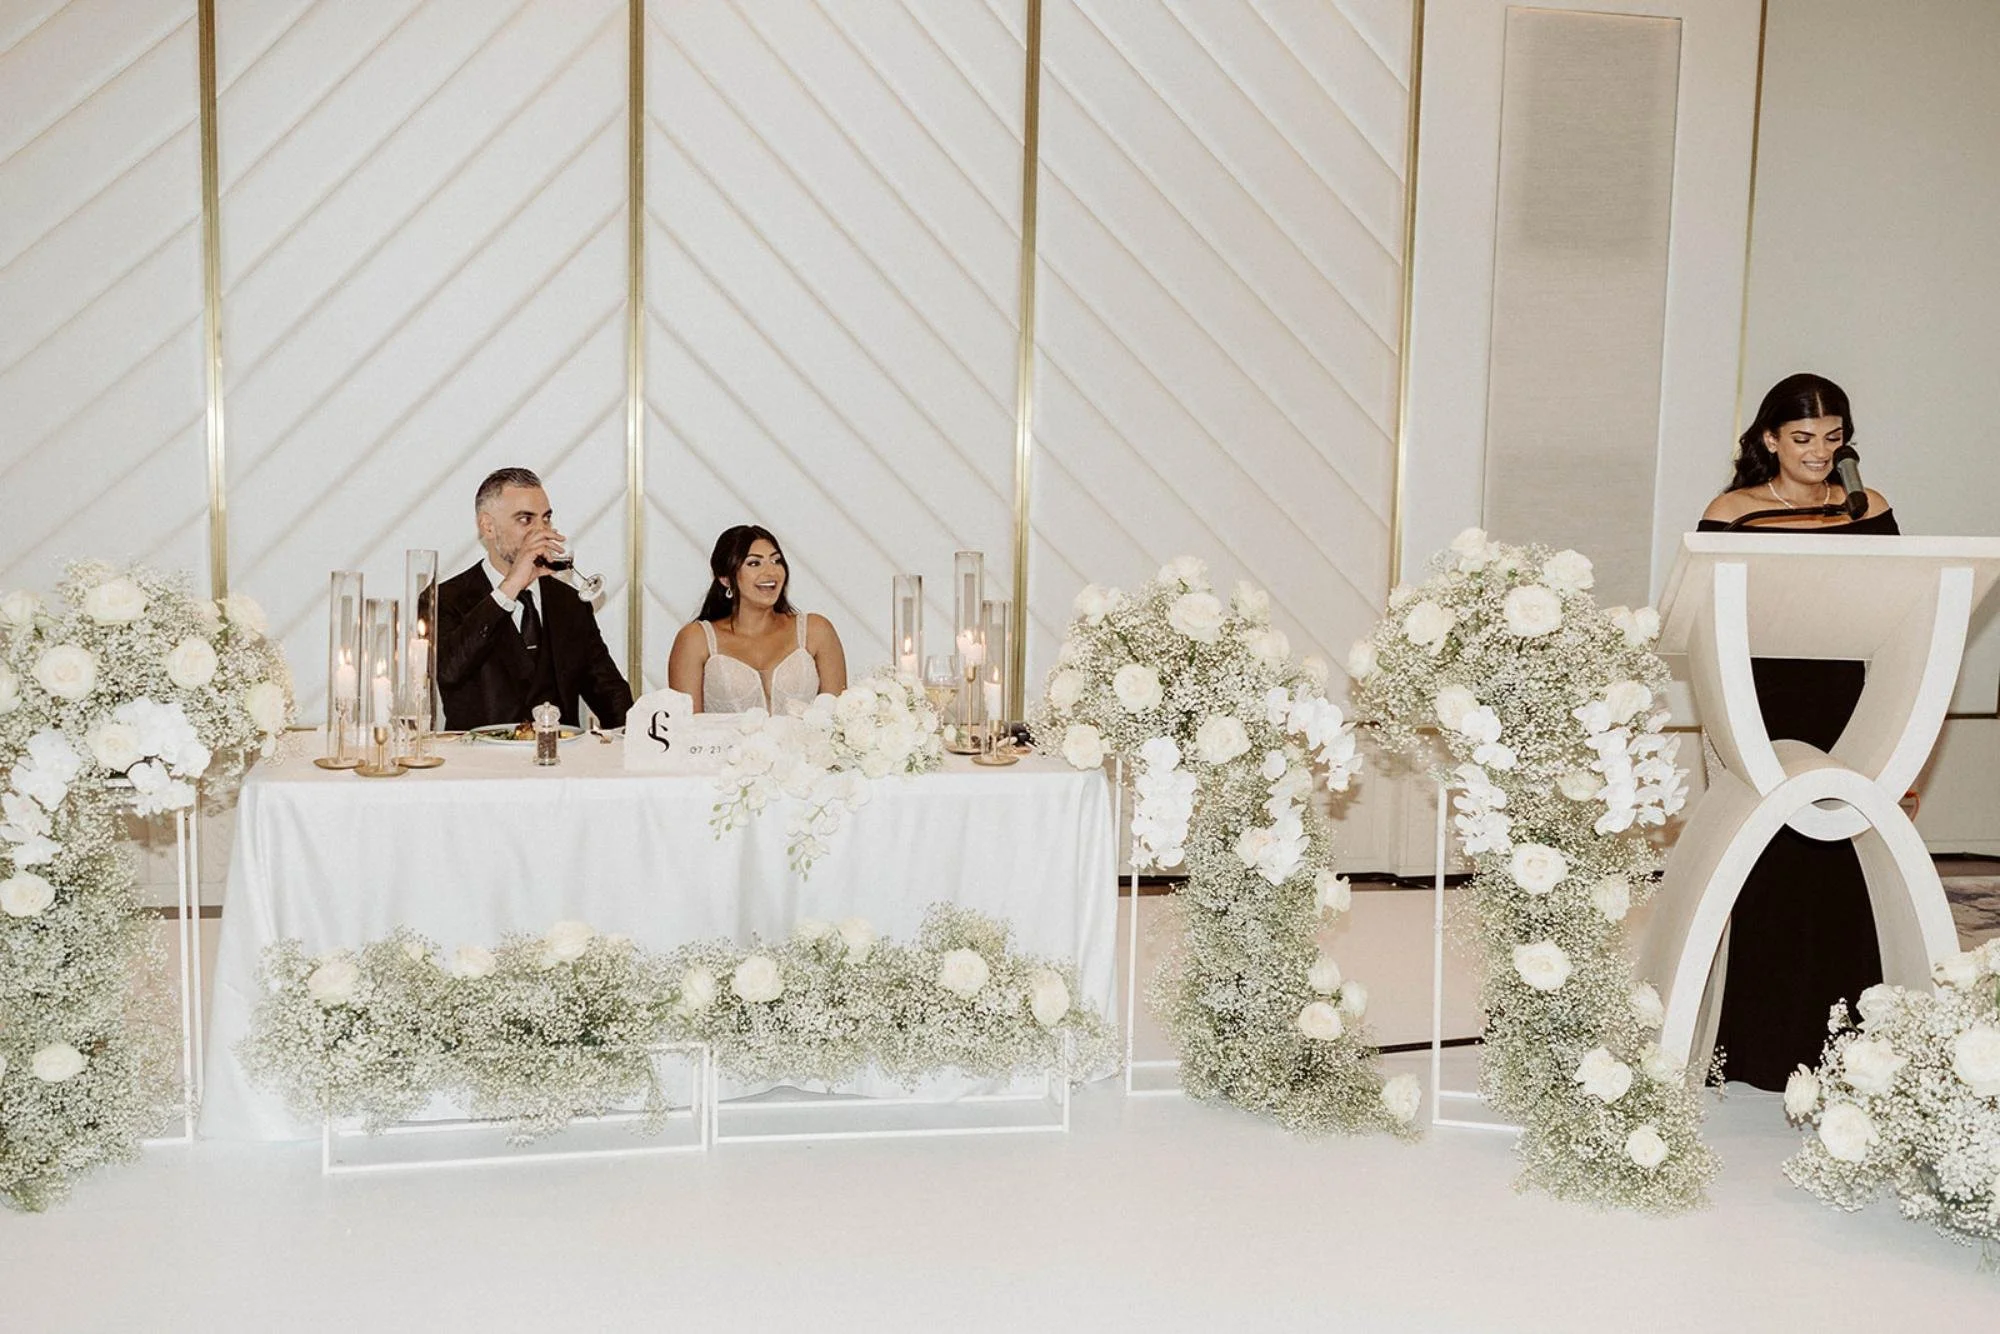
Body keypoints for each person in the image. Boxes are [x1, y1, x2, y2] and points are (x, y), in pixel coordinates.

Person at [1696, 373, 1896, 1090]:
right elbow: (1708, 614)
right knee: (1773, 854)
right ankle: (1758, 1044)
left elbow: (1900, 604)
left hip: (1845, 693)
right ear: (1768, 440)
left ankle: (1843, 1048)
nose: (1820, 452)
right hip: (1765, 694)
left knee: (1839, 853)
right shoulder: (1735, 510)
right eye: (1804, 438)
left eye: (1834, 437)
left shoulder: (1866, 506)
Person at [435, 467, 632, 731]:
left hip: (559, 762)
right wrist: (512, 585)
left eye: (546, 519)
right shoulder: (446, 598)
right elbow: (448, 671)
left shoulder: (569, 602)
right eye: (526, 520)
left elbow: (609, 691)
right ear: (488, 526)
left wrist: (636, 746)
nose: (541, 531)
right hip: (480, 765)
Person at [666, 525, 847, 714]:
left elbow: (839, 720)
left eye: (776, 561)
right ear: (725, 578)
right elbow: (684, 729)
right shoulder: (696, 639)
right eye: (754, 563)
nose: (771, 572)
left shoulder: (816, 630)